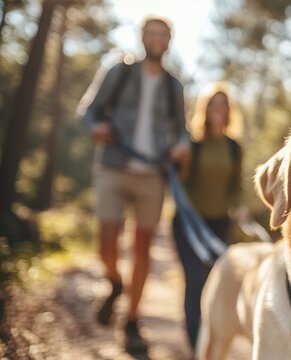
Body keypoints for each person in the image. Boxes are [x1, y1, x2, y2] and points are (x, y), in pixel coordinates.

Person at [80, 17, 189, 353]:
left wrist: (182, 145)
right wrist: (95, 127)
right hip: (114, 166)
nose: (157, 39)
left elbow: (182, 130)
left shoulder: (174, 87)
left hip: (153, 176)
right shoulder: (119, 71)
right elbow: (88, 111)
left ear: (169, 40)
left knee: (142, 247)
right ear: (142, 38)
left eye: (163, 34)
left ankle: (132, 317)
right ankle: (114, 283)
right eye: (151, 33)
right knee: (106, 242)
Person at [172, 85, 245, 350]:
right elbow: (178, 182)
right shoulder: (192, 145)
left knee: (214, 284)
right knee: (195, 281)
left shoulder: (234, 148)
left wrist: (239, 207)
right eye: (213, 104)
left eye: (222, 104)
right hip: (189, 225)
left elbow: (236, 186)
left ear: (228, 110)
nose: (218, 109)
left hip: (219, 225)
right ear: (205, 108)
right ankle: (196, 346)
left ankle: (210, 340)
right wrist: (177, 161)